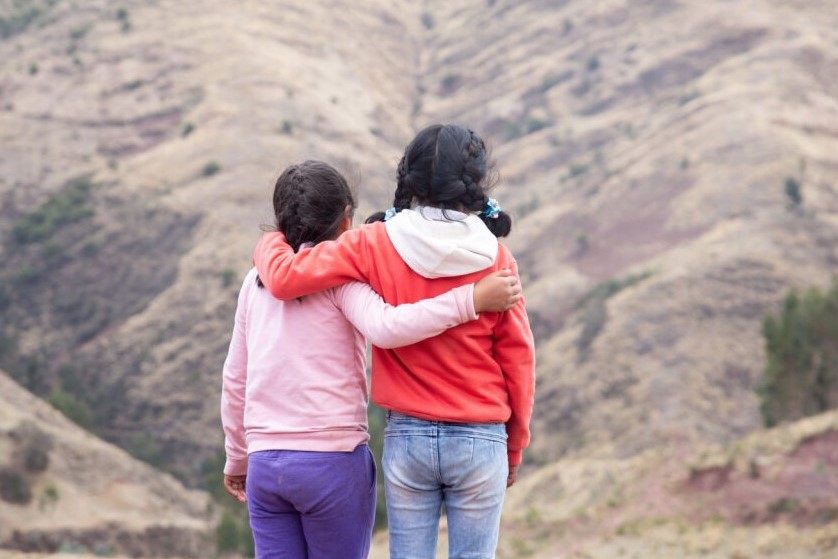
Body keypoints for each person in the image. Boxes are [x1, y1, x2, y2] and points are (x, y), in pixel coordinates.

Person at [252, 125, 536, 559]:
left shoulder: (373, 242)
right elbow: (518, 360)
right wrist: (513, 445)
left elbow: (285, 279)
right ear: (477, 183)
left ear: (408, 177)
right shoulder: (497, 258)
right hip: (482, 439)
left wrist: (271, 239)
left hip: (409, 439)